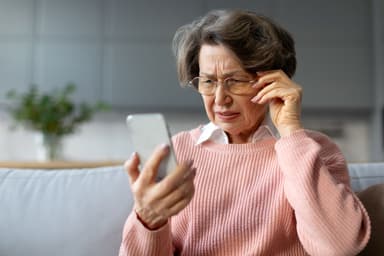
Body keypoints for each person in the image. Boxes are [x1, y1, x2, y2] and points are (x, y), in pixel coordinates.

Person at [119, 9, 370, 255]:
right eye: (208, 81)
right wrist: (148, 220)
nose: (220, 99)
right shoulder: (177, 150)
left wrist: (291, 131)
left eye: (235, 81)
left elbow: (341, 246)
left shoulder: (314, 151)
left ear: (273, 80)